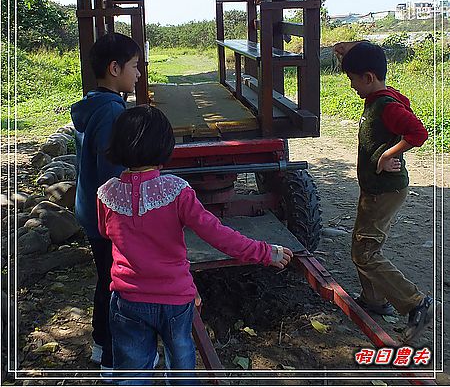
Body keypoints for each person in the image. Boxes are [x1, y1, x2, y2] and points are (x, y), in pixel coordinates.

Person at [97, 105, 293, 385]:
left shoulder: (106, 194)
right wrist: (265, 252)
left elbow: (106, 233)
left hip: (128, 300)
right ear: (164, 146)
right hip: (175, 302)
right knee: (182, 370)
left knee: (131, 374)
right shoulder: (177, 191)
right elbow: (217, 235)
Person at [333, 40, 432, 344]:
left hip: (384, 192)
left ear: (368, 77)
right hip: (375, 189)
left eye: (352, 80)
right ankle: (373, 300)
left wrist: (388, 155)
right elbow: (345, 48)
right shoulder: (379, 95)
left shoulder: (386, 105)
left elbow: (419, 133)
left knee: (365, 252)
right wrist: (345, 50)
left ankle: (415, 303)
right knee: (361, 244)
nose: (351, 86)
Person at [71, 32, 141, 370]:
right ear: (115, 68)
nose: (138, 74)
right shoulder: (112, 112)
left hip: (90, 209)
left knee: (106, 278)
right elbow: (112, 175)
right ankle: (114, 359)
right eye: (134, 67)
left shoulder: (95, 103)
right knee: (118, 284)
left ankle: (102, 343)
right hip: (106, 217)